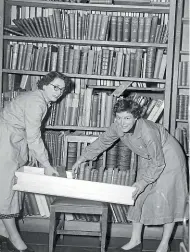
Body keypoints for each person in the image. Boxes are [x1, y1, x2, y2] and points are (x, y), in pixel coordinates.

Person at [72, 98, 188, 252]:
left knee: (167, 198)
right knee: (137, 196)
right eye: (119, 117)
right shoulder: (117, 126)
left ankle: (164, 244)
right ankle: (135, 240)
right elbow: (103, 141)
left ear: (136, 117)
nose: (122, 122)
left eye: (127, 118)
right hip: (149, 156)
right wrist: (82, 158)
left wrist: (142, 182)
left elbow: (158, 163)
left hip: (169, 157)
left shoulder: (148, 131)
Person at [0, 71, 71, 252]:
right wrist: (46, 165)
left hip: (12, 139)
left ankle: (3, 232)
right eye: (55, 87)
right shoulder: (37, 101)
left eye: (62, 90)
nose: (58, 92)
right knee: (6, 191)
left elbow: (28, 130)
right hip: (4, 141)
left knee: (11, 187)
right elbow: (33, 135)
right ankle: (16, 241)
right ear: (44, 85)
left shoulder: (39, 99)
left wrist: (31, 149)